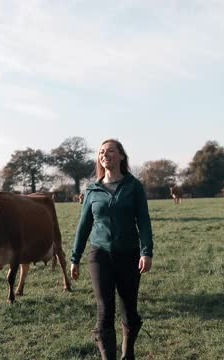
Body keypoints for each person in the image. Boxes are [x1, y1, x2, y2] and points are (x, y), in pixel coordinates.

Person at [71, 138, 153, 360]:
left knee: (129, 310)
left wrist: (146, 252)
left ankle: (128, 352)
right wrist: (75, 257)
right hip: (100, 254)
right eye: (101, 152)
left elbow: (143, 221)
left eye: (109, 151)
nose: (104, 155)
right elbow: (83, 225)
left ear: (121, 156)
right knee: (104, 311)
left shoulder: (133, 186)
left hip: (129, 253)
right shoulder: (92, 190)